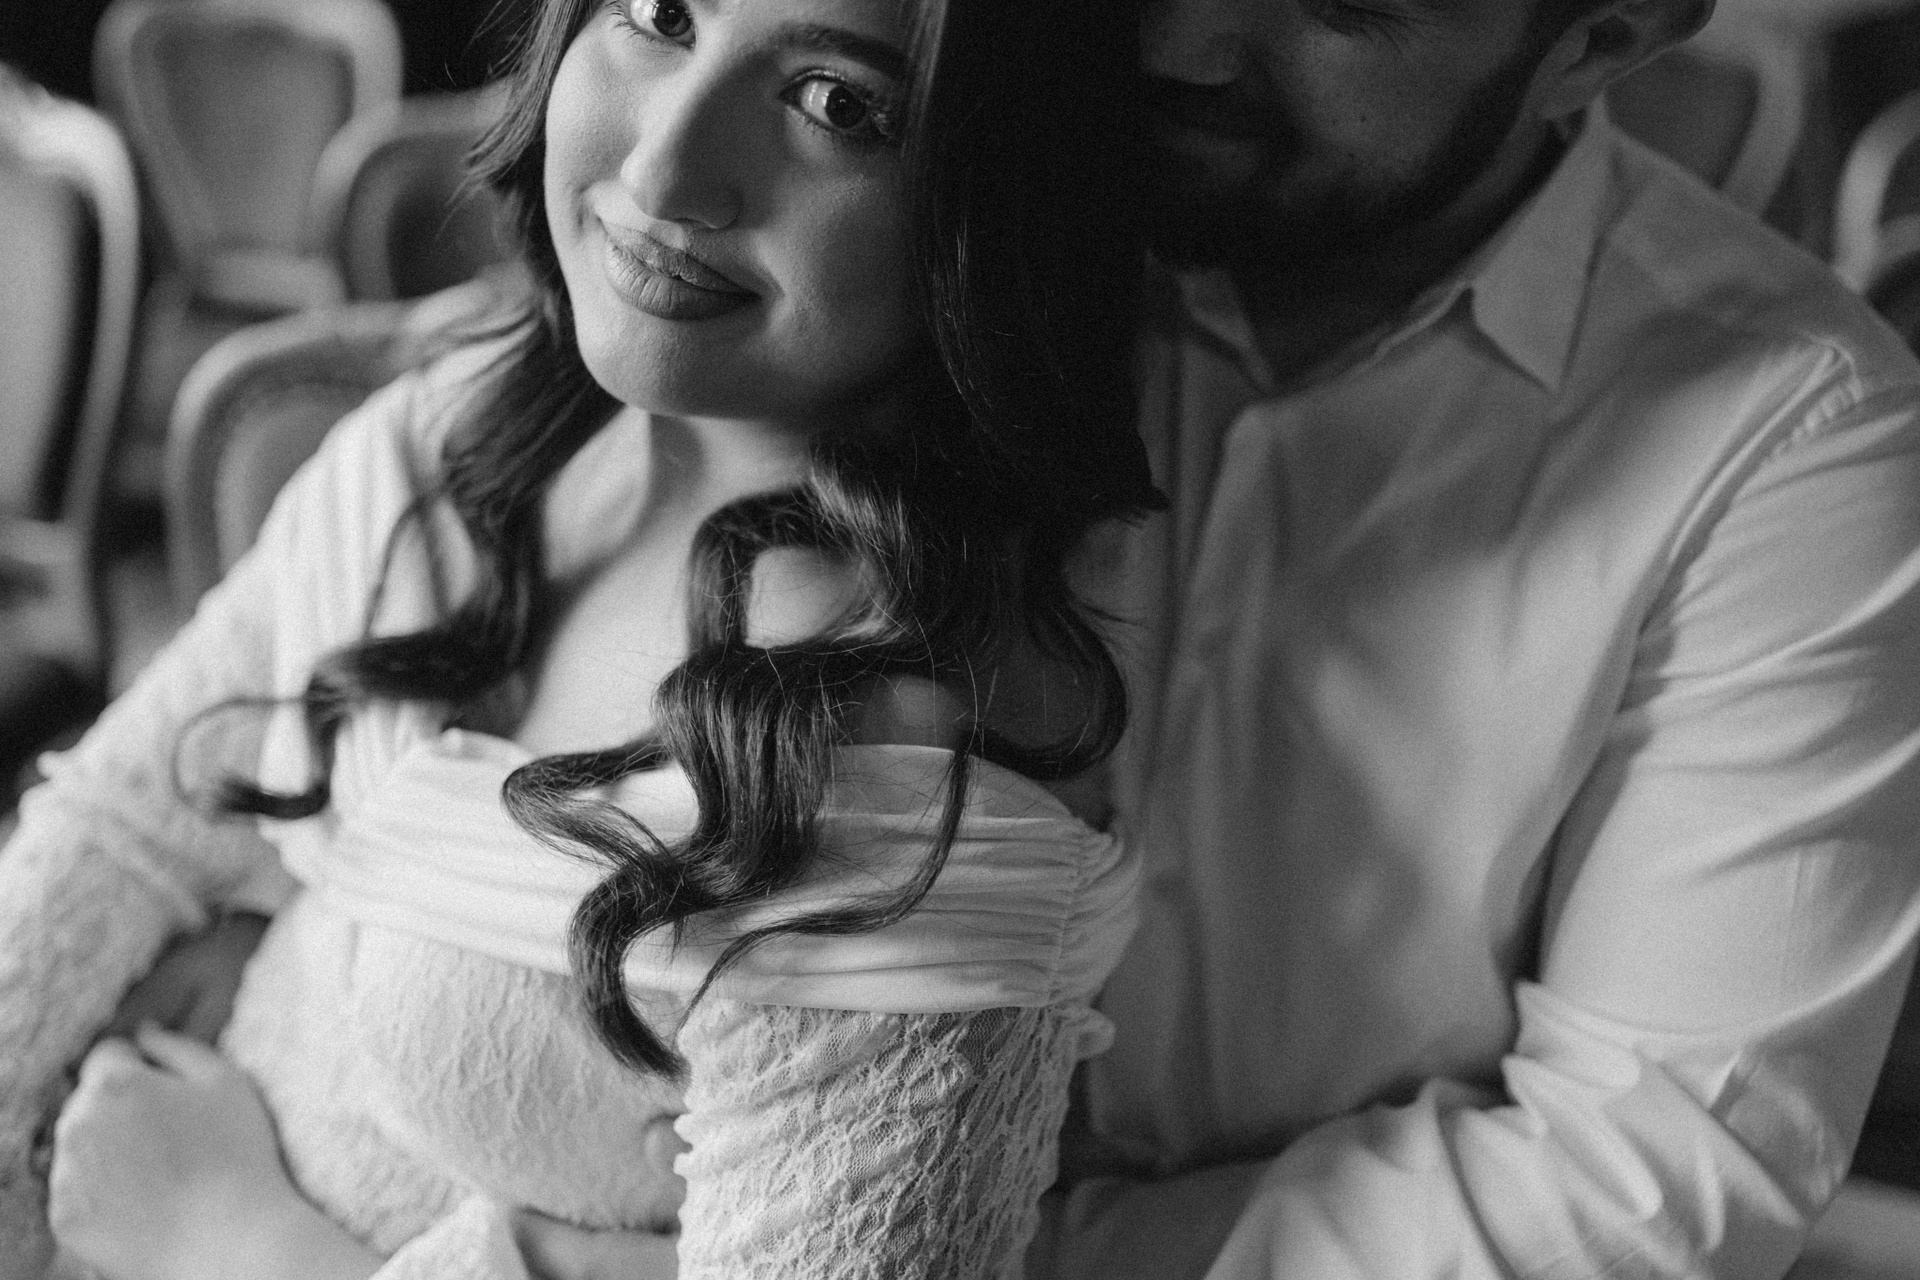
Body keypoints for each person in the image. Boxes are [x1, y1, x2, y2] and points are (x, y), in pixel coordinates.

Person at [0, 0, 1161, 1276]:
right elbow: (116, 835)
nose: (664, 171)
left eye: (837, 103)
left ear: (1000, 187)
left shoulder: (900, 766)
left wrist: (223, 1238)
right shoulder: (457, 428)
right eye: (661, 14)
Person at [1019, 0, 1920, 1277]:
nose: (1178, 42)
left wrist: (965, 1243)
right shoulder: (935, 213)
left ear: (1599, 43)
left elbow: (1644, 1183)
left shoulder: (1794, 427)